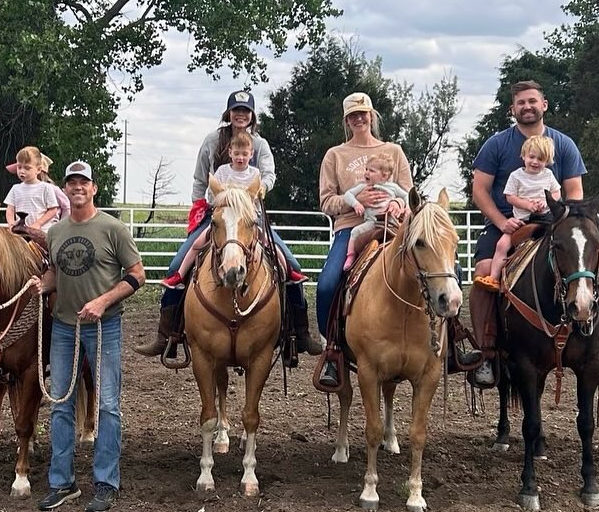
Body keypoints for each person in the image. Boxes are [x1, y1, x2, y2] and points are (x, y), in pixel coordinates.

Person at [469, 80, 599, 387]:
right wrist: (501, 222)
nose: (527, 107)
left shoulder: (563, 145)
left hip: (558, 223)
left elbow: (574, 192)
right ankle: (488, 349)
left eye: (532, 101)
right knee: (485, 272)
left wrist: (564, 222)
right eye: (520, 102)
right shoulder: (496, 144)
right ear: (513, 109)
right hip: (510, 223)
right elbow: (480, 191)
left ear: (544, 104)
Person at [133, 89, 320, 358]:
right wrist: (200, 209)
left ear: (252, 115)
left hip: (249, 215)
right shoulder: (212, 141)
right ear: (229, 113)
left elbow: (269, 174)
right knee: (177, 265)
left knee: (290, 265)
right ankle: (167, 334)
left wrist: (260, 189)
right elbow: (201, 179)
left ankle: (297, 332)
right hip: (218, 215)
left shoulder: (261, 145)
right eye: (236, 110)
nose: (241, 115)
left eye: (245, 111)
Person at [30, 160, 145, 512]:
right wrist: (42, 284)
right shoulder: (57, 232)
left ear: (94, 188)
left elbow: (137, 275)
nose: (78, 187)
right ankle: (62, 482)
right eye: (72, 182)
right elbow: (55, 271)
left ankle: (106, 482)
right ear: (65, 189)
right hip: (64, 326)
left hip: (104, 326)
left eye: (84, 182)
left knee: (108, 405)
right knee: (60, 403)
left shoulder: (112, 228)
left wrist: (103, 301)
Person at [315, 92, 412, 388]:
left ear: (372, 116)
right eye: (353, 115)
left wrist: (399, 205)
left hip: (392, 226)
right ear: (346, 120)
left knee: (437, 270)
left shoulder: (393, 151)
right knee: (328, 284)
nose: (359, 118)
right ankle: (332, 349)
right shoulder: (335, 155)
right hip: (351, 228)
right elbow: (326, 201)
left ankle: (444, 341)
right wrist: (355, 201)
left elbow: (408, 192)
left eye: (364, 113)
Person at [161, 131, 306, 288]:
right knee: (198, 243)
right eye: (236, 154)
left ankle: (289, 272)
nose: (240, 158)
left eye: (244, 154)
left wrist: (262, 188)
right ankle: (179, 275)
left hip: (247, 220)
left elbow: (265, 181)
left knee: (270, 244)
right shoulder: (223, 171)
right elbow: (214, 192)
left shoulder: (255, 174)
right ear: (230, 153)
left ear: (251, 155)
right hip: (225, 218)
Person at [473, 135, 561, 291]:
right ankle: (493, 277)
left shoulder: (548, 175)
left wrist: (547, 201)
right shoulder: (516, 176)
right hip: (522, 221)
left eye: (540, 159)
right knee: (502, 245)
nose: (535, 162)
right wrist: (526, 204)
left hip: (545, 219)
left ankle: (595, 256)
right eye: (531, 157)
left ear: (547, 161)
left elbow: (557, 193)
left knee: (565, 239)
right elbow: (510, 196)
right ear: (523, 156)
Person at [341, 153, 410, 271]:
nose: (366, 173)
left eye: (371, 171)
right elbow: (348, 194)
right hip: (372, 222)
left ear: (384, 176)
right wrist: (356, 203)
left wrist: (405, 206)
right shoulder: (363, 186)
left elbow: (406, 195)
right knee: (355, 232)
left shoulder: (393, 187)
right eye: (366, 169)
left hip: (390, 222)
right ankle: (351, 256)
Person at [4, 146, 63, 233]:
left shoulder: (46, 188)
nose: (22, 171)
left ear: (38, 169)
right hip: (21, 231)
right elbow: (10, 209)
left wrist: (38, 224)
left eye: (27, 168)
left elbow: (53, 210)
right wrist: (11, 223)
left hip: (42, 231)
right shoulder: (15, 188)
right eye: (19, 167)